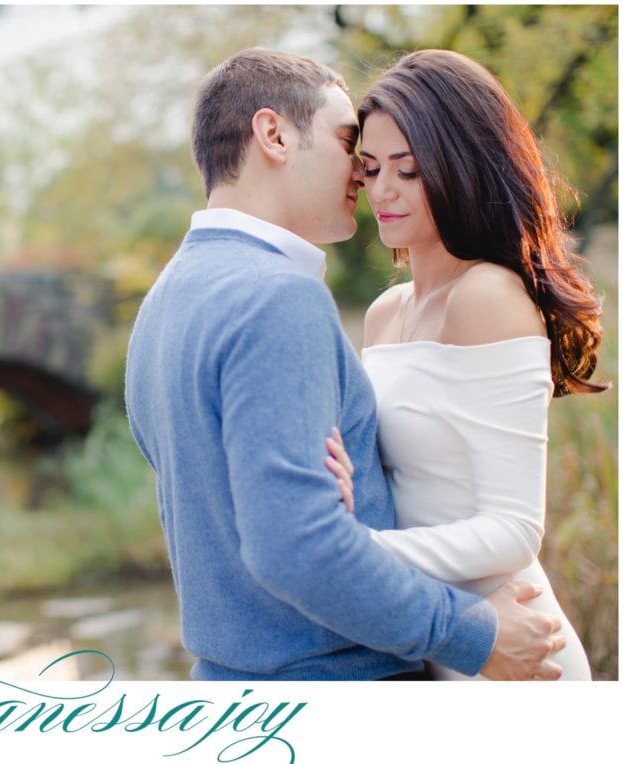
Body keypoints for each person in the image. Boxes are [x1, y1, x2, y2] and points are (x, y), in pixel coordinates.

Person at [124, 47, 566, 681]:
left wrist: (352, 514)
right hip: (340, 682)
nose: (363, 179)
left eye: (400, 168)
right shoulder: (278, 295)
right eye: (347, 146)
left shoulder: (164, 304)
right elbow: (296, 548)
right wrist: (469, 633)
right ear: (273, 134)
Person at [352, 49, 604, 680]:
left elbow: (514, 530)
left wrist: (355, 560)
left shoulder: (487, 297)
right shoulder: (385, 313)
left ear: (459, 167)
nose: (381, 191)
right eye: (371, 167)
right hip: (440, 639)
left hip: (515, 653)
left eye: (407, 171)